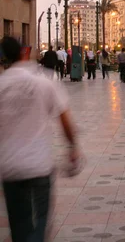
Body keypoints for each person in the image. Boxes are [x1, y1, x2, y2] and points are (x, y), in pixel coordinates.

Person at [0, 36, 82, 242]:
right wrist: (73, 147)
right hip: (38, 165)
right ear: (23, 53)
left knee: (19, 225)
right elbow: (64, 119)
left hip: (9, 167)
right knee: (41, 221)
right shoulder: (44, 80)